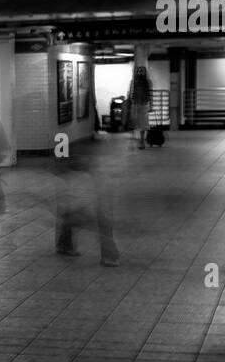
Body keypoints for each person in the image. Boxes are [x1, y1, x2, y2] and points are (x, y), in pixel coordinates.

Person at [54, 137, 120, 267]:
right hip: (83, 200)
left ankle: (64, 245)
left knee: (70, 218)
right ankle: (109, 256)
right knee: (103, 222)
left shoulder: (77, 172)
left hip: (80, 200)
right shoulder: (84, 174)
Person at [128, 66, 153, 149]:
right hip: (135, 104)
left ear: (145, 72)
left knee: (143, 123)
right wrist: (130, 103)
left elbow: (150, 94)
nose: (140, 73)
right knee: (135, 122)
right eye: (138, 71)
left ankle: (141, 140)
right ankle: (136, 141)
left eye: (141, 71)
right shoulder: (133, 82)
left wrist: (151, 105)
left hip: (144, 104)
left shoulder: (148, 82)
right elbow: (130, 93)